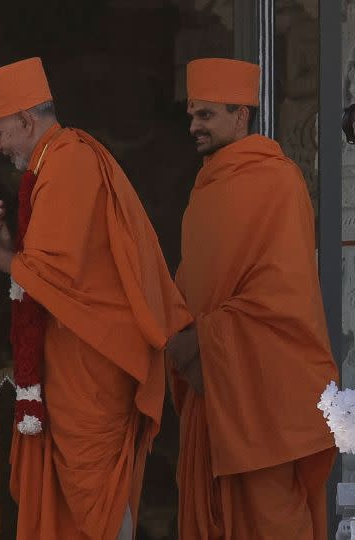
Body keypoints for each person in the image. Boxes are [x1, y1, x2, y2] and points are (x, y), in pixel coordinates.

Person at [0, 57, 191, 539]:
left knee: (97, 502)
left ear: (26, 120)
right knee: (74, 504)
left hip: (93, 365)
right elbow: (56, 265)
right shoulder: (55, 162)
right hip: (72, 362)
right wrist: (6, 249)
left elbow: (59, 276)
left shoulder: (70, 160)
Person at [167, 57, 338, 539]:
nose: (194, 125)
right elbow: (193, 281)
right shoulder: (205, 188)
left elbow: (284, 298)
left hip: (261, 395)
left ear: (241, 114)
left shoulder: (277, 181)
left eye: (206, 115)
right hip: (212, 392)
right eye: (192, 115)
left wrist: (202, 338)